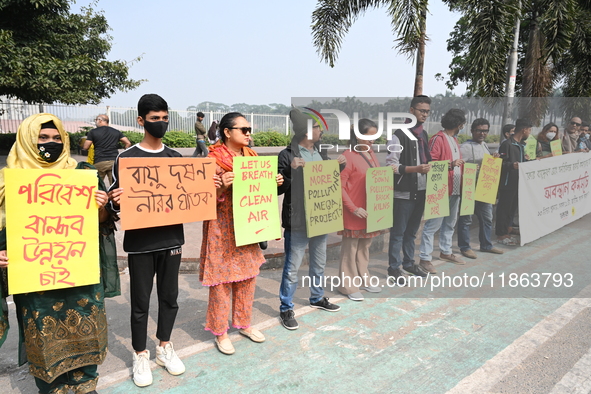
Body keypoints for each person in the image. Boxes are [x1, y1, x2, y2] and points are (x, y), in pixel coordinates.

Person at [0, 113, 116, 394]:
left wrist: (101, 205)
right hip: (36, 280)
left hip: (79, 274)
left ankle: (85, 383)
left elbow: (101, 224)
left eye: (56, 138)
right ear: (28, 140)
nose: (50, 143)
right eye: (42, 138)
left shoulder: (81, 173)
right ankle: (53, 387)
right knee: (42, 332)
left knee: (85, 326)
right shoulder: (11, 183)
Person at [108, 94, 186, 387]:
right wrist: (114, 202)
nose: (161, 123)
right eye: (155, 119)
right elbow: (113, 205)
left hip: (172, 240)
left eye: (165, 118)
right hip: (140, 244)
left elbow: (190, 197)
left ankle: (164, 346)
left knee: (170, 298)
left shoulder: (176, 159)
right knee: (140, 302)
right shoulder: (126, 159)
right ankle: (140, 353)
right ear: (141, 121)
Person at [201, 112, 283, 353]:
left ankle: (244, 323)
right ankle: (220, 332)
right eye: (243, 129)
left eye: (249, 129)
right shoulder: (211, 159)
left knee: (247, 278)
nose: (249, 134)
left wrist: (274, 182)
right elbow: (201, 200)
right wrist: (221, 186)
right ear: (227, 132)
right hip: (222, 228)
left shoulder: (252, 157)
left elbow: (260, 194)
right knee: (221, 281)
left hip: (248, 227)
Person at [277, 108, 344, 330]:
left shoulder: (321, 153)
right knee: (293, 266)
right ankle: (286, 307)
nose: (321, 131)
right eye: (316, 127)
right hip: (297, 220)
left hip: (321, 218)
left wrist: (339, 166)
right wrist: (290, 170)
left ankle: (317, 297)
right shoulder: (287, 155)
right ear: (306, 131)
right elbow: (278, 188)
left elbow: (327, 180)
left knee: (319, 262)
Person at [337, 119, 385, 301]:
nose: (373, 140)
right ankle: (347, 286)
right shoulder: (348, 156)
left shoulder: (371, 153)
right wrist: (353, 208)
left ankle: (364, 278)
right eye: (369, 136)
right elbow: (340, 187)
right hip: (354, 212)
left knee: (364, 248)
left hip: (369, 212)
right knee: (350, 250)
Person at [385, 95, 432, 281]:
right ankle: (394, 268)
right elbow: (391, 166)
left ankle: (409, 263)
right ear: (411, 111)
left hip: (421, 191)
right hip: (403, 192)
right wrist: (416, 169)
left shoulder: (423, 134)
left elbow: (428, 161)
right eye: (421, 110)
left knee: (412, 232)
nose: (425, 114)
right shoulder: (399, 135)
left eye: (427, 111)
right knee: (398, 232)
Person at [418, 108, 466, 270]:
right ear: (458, 124)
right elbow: (430, 163)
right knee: (433, 224)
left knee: (450, 223)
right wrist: (451, 165)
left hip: (455, 187)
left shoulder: (454, 139)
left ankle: (446, 251)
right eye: (462, 124)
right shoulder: (438, 139)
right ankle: (425, 258)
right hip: (441, 189)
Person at [456, 118, 504, 259]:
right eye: (479, 131)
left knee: (487, 218)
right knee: (466, 219)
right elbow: (458, 165)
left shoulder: (485, 146)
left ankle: (486, 245)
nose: (482, 134)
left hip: (484, 188)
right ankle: (465, 247)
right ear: (472, 131)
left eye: (485, 131)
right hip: (469, 188)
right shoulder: (464, 147)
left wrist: (493, 158)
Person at [495, 118, 532, 245]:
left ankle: (508, 228)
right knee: (504, 209)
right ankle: (500, 234)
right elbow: (500, 163)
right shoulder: (507, 144)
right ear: (524, 129)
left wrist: (526, 160)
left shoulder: (521, 145)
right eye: (529, 130)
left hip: (518, 182)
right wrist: (512, 165)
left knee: (512, 209)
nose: (530, 133)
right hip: (507, 183)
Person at [83, 114, 132, 185]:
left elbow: (85, 147)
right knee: (115, 185)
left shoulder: (93, 132)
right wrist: (124, 152)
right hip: (114, 162)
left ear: (100, 120)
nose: (95, 122)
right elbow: (128, 143)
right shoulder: (116, 131)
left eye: (96, 120)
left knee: (97, 185)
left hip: (100, 161)